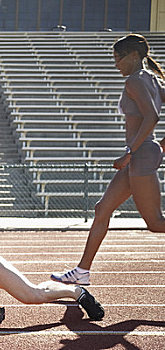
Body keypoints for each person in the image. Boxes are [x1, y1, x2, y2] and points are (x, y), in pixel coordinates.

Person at [51, 33, 165, 286]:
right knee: (102, 209)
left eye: (118, 58)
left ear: (134, 56)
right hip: (142, 154)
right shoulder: (153, 80)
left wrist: (129, 152)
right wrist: (160, 146)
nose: (116, 65)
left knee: (156, 223)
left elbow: (152, 117)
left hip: (140, 156)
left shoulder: (135, 81)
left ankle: (82, 270)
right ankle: (82, 271)